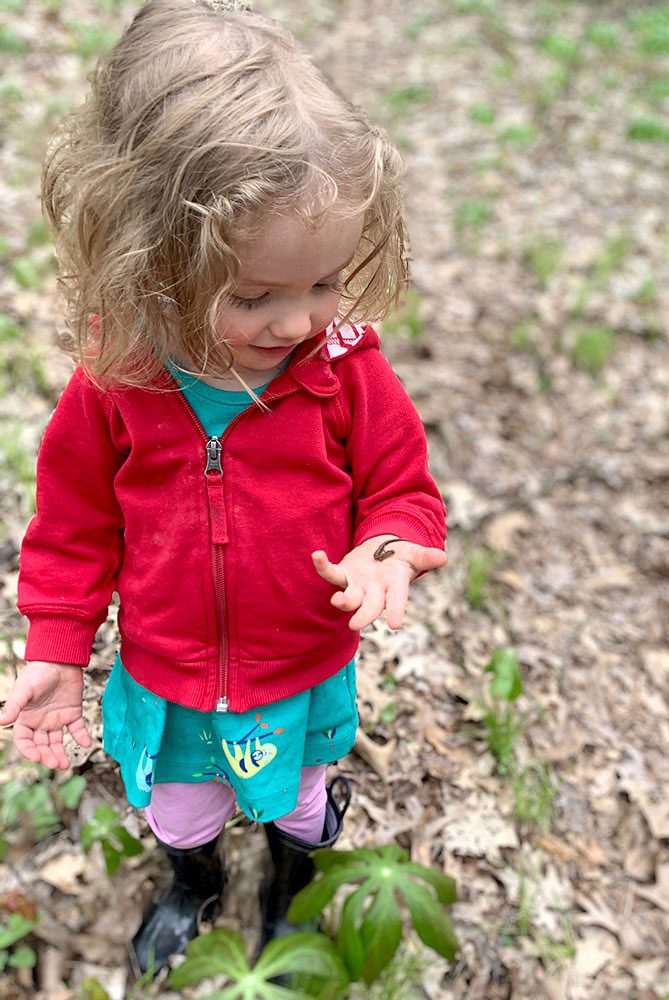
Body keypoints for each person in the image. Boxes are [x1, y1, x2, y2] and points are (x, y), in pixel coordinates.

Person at [0, 0, 447, 975]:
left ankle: (291, 887)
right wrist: (59, 647)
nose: (298, 319)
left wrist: (388, 546)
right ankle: (193, 880)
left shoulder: (344, 367)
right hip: (169, 672)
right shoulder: (118, 381)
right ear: (155, 257)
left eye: (324, 282)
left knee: (296, 797)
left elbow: (402, 486)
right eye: (255, 295)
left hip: (300, 661)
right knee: (182, 805)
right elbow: (73, 528)